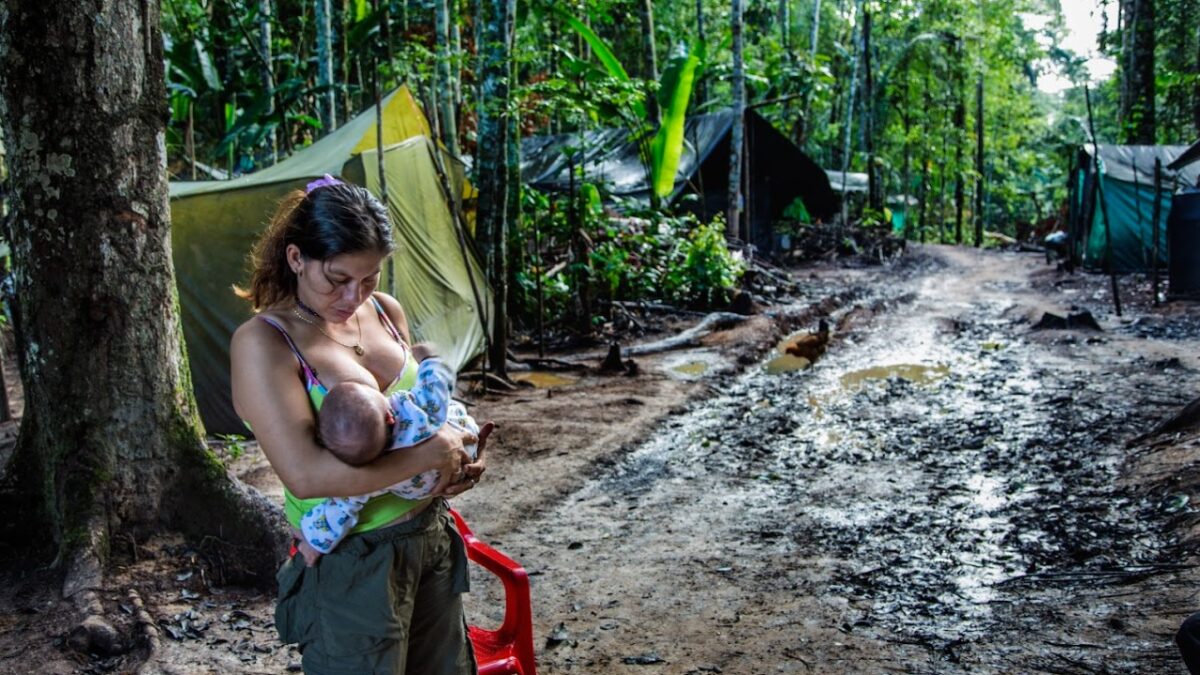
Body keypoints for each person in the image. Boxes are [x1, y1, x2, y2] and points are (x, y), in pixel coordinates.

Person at [230, 174, 486, 674]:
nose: (354, 297)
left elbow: (428, 411)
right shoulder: (265, 343)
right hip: (355, 560)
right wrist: (432, 454)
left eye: (369, 278)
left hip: (430, 537)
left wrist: (461, 458)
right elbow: (305, 475)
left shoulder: (385, 311)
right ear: (296, 258)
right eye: (338, 278)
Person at [296, 343, 486, 563]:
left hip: (422, 489)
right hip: (463, 446)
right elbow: (436, 386)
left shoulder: (371, 475)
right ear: (389, 417)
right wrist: (430, 358)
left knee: (343, 505)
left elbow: (338, 511)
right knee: (442, 408)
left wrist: (312, 543)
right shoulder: (411, 413)